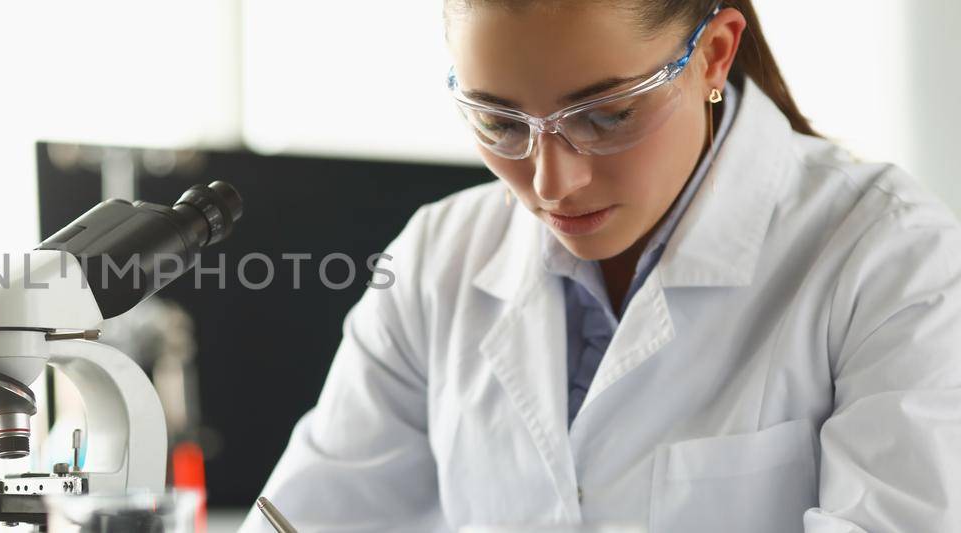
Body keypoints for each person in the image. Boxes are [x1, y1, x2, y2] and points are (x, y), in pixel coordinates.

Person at [241, 0, 961, 531]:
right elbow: (315, 515)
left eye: (607, 115)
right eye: (499, 121)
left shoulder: (892, 258)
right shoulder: (439, 258)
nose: (552, 183)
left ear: (713, 53)